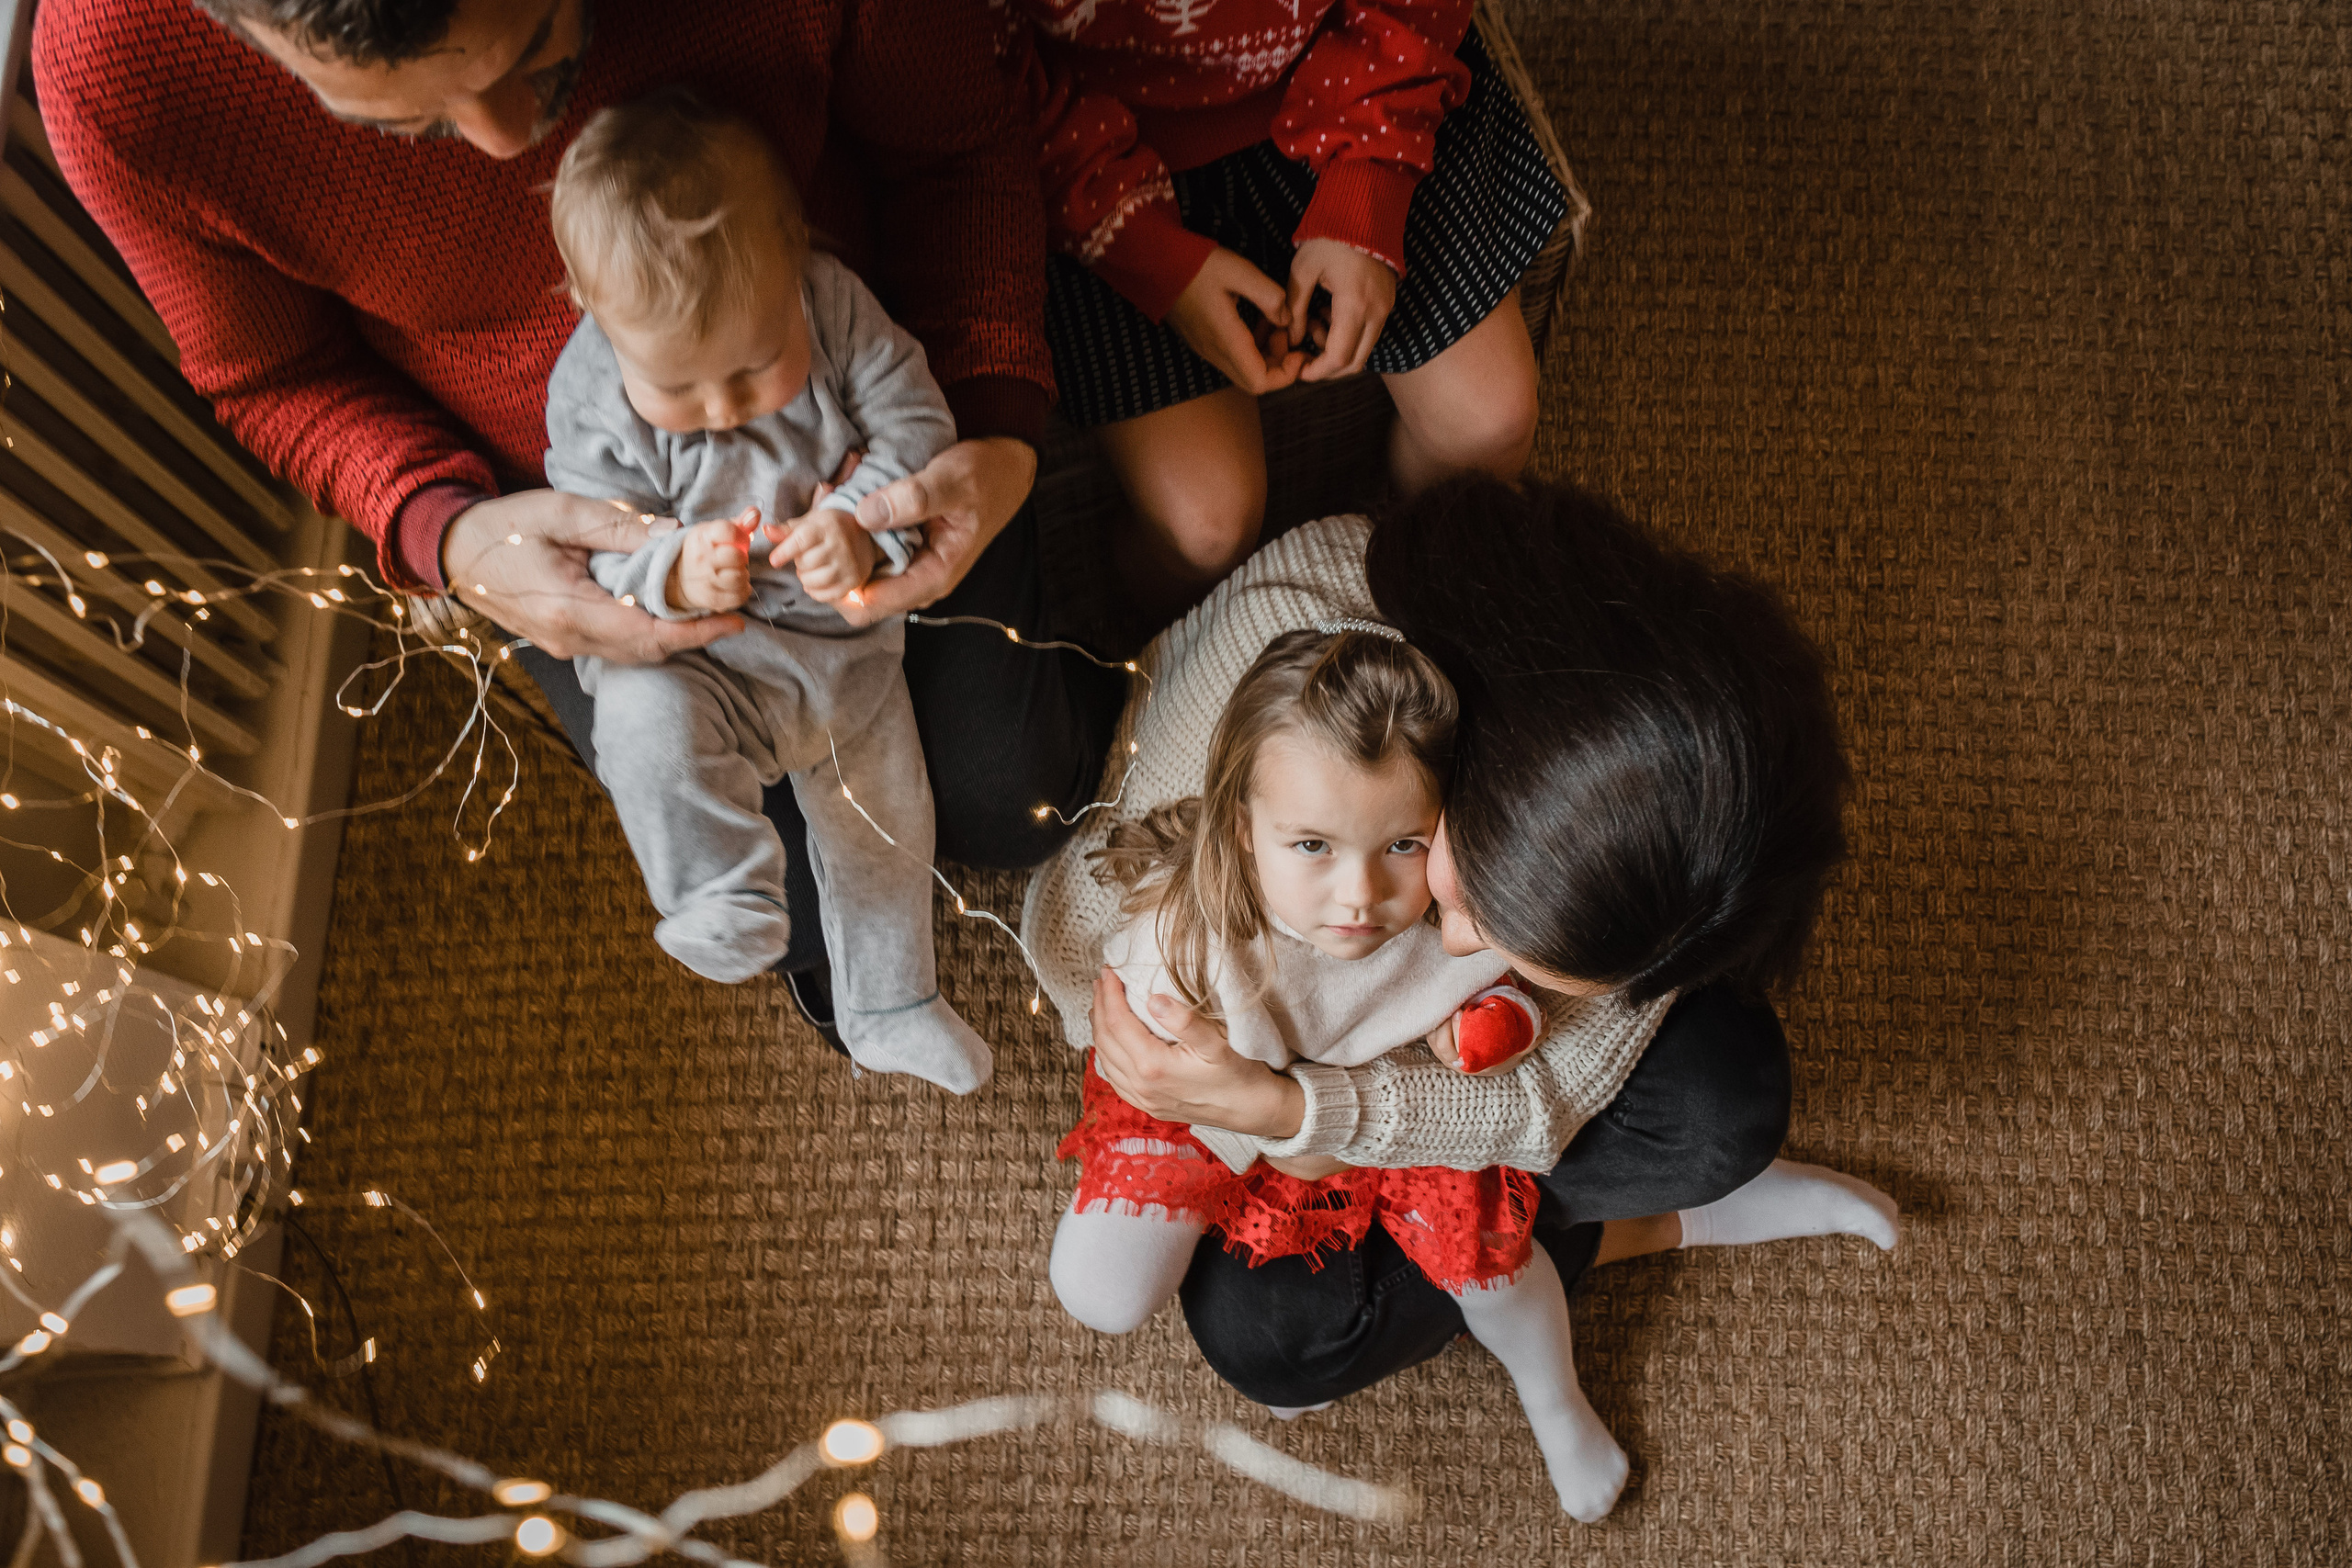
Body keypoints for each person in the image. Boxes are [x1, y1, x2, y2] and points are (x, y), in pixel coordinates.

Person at [32, 0, 1128, 1033]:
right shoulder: (120, 68)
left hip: (843, 394)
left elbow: (956, 149)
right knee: (764, 888)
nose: (512, 144)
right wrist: (446, 530)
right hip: (567, 510)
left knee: (1010, 794)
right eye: (404, 121)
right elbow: (273, 377)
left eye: (544, 40)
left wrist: (992, 431)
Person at [1023, 474, 1893, 1421]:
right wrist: (1246, 1117)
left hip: (1347, 1075)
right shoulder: (1300, 663)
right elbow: (1092, 921)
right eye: (1477, 902)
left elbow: (1552, 1074)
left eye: (1520, 951)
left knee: (1727, 1104)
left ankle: (1598, 1230)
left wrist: (1304, 1113)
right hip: (1251, 1048)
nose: (1464, 939)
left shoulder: (1639, 849)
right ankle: (1604, 1235)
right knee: (1275, 1342)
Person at [1051, 624, 1646, 1519]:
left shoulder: (1457, 916)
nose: (1360, 896)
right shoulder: (1191, 922)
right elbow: (1140, 1042)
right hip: (1208, 1102)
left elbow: (1519, 995)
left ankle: (1554, 1398)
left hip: (1401, 1113)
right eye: (1313, 848)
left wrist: (1491, 1031)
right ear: (1243, 826)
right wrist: (1247, 1127)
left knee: (1490, 1264)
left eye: (1402, 845)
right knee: (1101, 1290)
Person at [540, 91, 988, 1091]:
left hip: (846, 657)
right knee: (641, 728)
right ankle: (713, 889)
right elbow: (594, 532)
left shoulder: (833, 307)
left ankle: (891, 1003)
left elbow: (917, 430)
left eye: (750, 370)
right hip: (704, 660)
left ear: (797, 253)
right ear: (590, 307)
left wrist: (862, 524)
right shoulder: (589, 388)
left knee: (885, 828)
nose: (719, 411)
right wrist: (671, 564)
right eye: (681, 390)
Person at [1011, 2, 1567, 622]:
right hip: (1093, 156)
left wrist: (1366, 187)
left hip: (1363, 70)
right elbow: (1000, 71)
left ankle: (1413, 598)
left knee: (1490, 418)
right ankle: (1143, 654)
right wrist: (1159, 261)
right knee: (1204, 525)